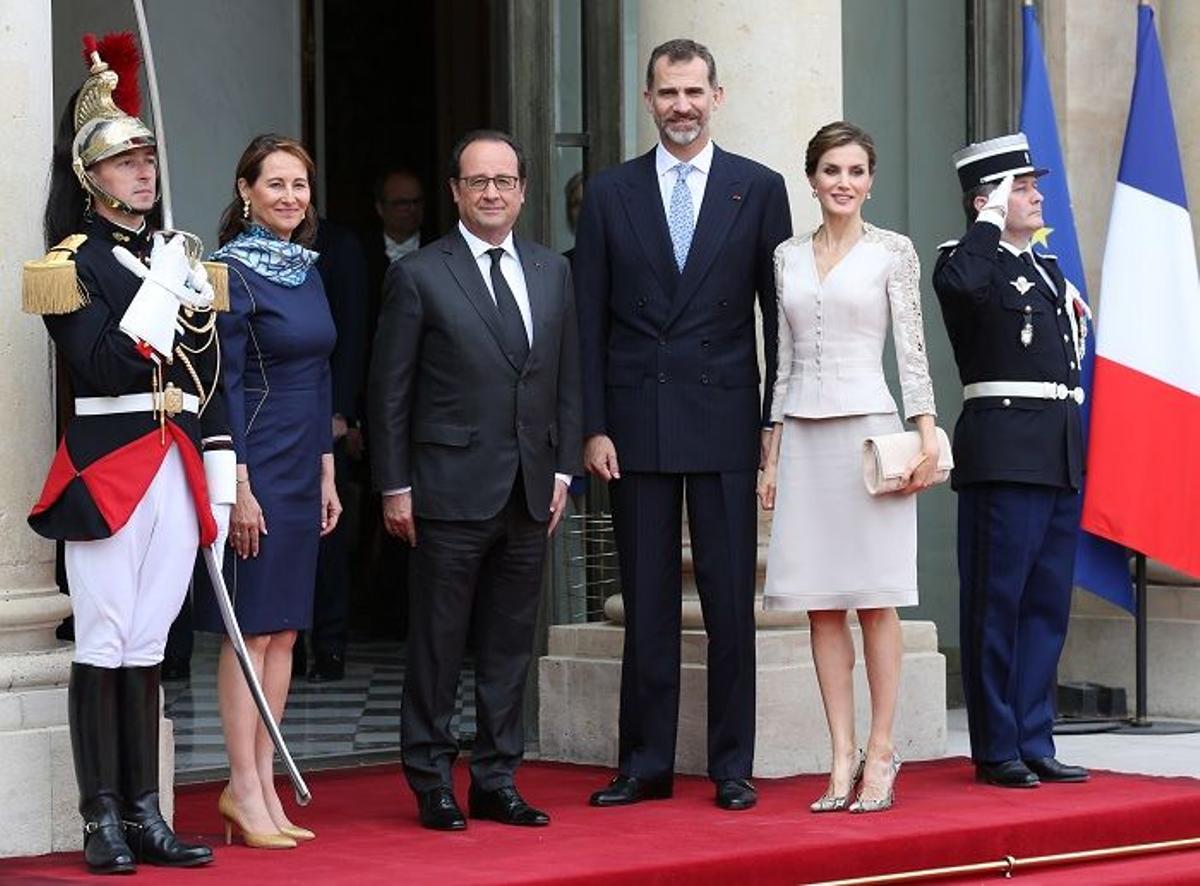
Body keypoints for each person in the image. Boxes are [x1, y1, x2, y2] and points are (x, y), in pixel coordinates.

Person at [574, 38, 792, 812]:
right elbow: (588, 322)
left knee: (733, 603)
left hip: (727, 417)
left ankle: (733, 763)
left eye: (694, 92)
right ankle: (645, 763)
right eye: (668, 93)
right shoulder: (609, 192)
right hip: (634, 422)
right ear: (648, 99)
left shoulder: (758, 189)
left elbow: (782, 322)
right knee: (648, 599)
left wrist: (772, 427)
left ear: (717, 97)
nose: (682, 107)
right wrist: (593, 426)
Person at [25, 34, 225, 873]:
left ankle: (145, 812)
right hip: (109, 464)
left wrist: (218, 472)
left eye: (147, 157)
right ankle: (99, 817)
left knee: (149, 641)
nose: (141, 171)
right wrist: (159, 281)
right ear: (90, 178)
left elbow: (207, 368)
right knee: (103, 636)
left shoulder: (180, 255)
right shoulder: (70, 266)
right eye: (122, 160)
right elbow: (102, 363)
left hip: (174, 461)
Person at [368, 129, 582, 831]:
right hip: (446, 488)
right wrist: (394, 485)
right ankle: (431, 778)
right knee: (437, 641)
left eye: (505, 181)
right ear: (456, 191)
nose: (492, 192)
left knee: (509, 643)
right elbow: (389, 391)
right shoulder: (421, 273)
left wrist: (562, 469)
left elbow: (565, 380)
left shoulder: (553, 272)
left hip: (529, 490)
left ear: (523, 190)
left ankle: (497, 777)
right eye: (477, 181)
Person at [758, 122, 939, 814]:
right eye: (831, 170)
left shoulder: (893, 251)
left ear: (871, 179)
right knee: (820, 604)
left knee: (874, 599)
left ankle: (883, 751)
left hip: (871, 434)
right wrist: (769, 451)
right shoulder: (785, 257)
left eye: (856, 170)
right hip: (803, 434)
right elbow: (783, 360)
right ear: (812, 179)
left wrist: (925, 439)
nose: (843, 182)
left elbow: (913, 352)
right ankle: (840, 756)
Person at [194, 134, 341, 847]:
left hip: (300, 464)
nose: (290, 197)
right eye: (275, 184)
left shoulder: (306, 270)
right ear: (245, 189)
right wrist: (239, 487)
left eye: (300, 185)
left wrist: (327, 470)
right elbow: (222, 384)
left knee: (283, 632)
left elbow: (318, 376)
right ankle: (241, 786)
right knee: (249, 631)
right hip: (251, 468)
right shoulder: (226, 272)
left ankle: (262, 783)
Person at [932, 133, 1089, 789]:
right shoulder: (966, 260)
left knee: (1045, 606)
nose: (1037, 195)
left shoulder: (1048, 269)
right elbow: (963, 287)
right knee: (997, 604)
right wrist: (989, 220)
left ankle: (1034, 736)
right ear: (986, 198)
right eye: (1022, 186)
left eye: (1030, 185)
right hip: (1003, 451)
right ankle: (997, 746)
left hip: (1055, 449)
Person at [305, 217, 371, 682]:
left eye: (298, 185)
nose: (288, 196)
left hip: (325, 414)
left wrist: (342, 410)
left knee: (328, 535)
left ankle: (330, 646)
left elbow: (352, 336)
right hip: (269, 422)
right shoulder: (235, 254)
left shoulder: (338, 245)